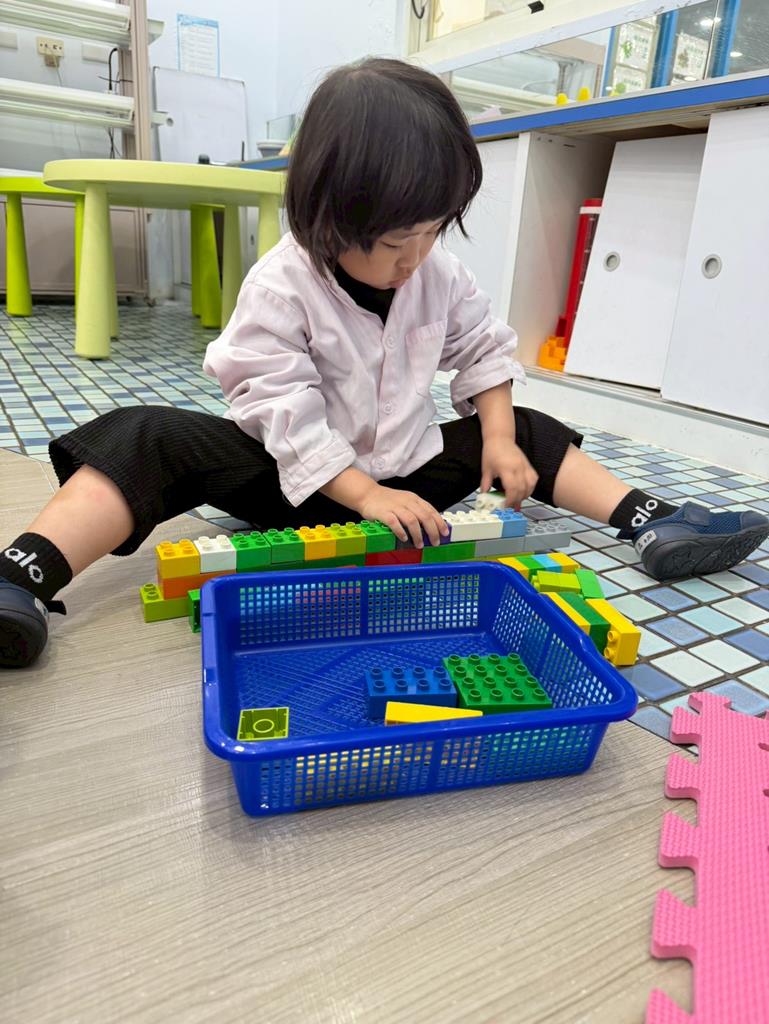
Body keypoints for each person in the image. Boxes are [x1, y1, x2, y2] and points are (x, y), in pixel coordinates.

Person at [1, 58, 767, 669]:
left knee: (527, 427)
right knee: (145, 433)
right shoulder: (281, 284)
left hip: (405, 481)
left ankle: (652, 523)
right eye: (396, 242)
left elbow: (482, 349)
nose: (415, 258)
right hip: (288, 480)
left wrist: (498, 439)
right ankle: (22, 575)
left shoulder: (438, 275)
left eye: (432, 233)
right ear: (325, 217)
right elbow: (278, 406)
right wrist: (360, 493)